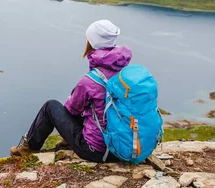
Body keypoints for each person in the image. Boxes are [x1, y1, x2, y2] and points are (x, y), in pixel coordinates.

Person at [10, 20, 132, 162]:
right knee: (83, 95)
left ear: (92, 42)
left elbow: (72, 110)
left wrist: (72, 99)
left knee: (50, 107)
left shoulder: (91, 81)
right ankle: (68, 141)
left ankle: (28, 148)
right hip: (126, 146)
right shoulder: (128, 73)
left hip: (96, 150)